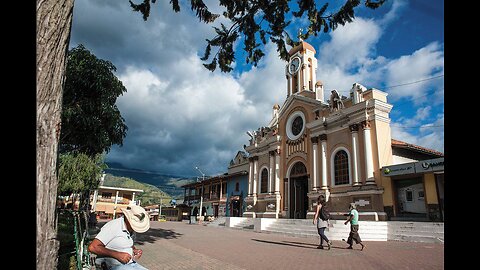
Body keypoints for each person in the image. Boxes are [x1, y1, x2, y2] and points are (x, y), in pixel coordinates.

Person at [88, 205, 151, 269]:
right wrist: (117, 255)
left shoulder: (131, 229)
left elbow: (127, 243)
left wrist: (134, 250)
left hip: (129, 264)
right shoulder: (113, 226)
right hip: (111, 265)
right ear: (127, 218)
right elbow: (92, 247)